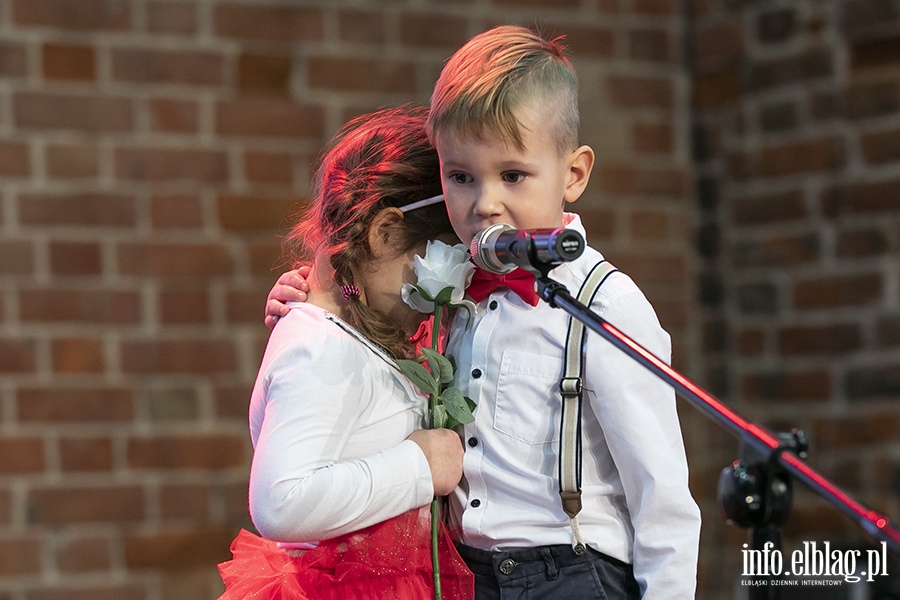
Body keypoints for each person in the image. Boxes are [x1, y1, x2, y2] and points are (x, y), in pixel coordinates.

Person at [266, 26, 701, 600]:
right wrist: (315, 294)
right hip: (467, 574)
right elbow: (367, 321)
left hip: (571, 572)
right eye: (461, 176)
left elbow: (662, 497)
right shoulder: (447, 285)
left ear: (573, 174)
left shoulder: (604, 304)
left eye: (512, 175)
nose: (485, 202)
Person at [218, 105, 474, 599]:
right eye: (442, 258)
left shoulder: (357, 335)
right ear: (383, 234)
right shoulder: (321, 348)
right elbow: (280, 502)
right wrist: (418, 466)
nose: (448, 289)